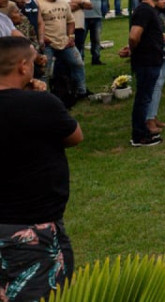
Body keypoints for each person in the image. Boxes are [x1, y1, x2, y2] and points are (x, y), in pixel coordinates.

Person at [0, 36, 83, 301]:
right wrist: (42, 99)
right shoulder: (40, 104)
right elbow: (75, 136)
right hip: (33, 227)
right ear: (23, 67)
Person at [127, 0, 165, 146]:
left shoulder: (151, 10)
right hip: (146, 60)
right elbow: (134, 36)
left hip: (152, 59)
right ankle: (139, 135)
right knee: (143, 98)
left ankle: (142, 131)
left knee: (146, 96)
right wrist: (134, 50)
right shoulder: (144, 10)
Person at [37, 0, 86, 102]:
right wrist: (42, 37)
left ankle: (81, 91)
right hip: (48, 43)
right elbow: (36, 23)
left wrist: (71, 36)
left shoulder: (63, 3)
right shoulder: (38, 3)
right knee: (45, 70)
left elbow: (70, 21)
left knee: (78, 63)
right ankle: (44, 97)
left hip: (64, 41)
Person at [75, 0, 106, 65]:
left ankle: (96, 58)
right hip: (83, 16)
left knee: (96, 39)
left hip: (96, 15)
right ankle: (80, 59)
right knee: (81, 40)